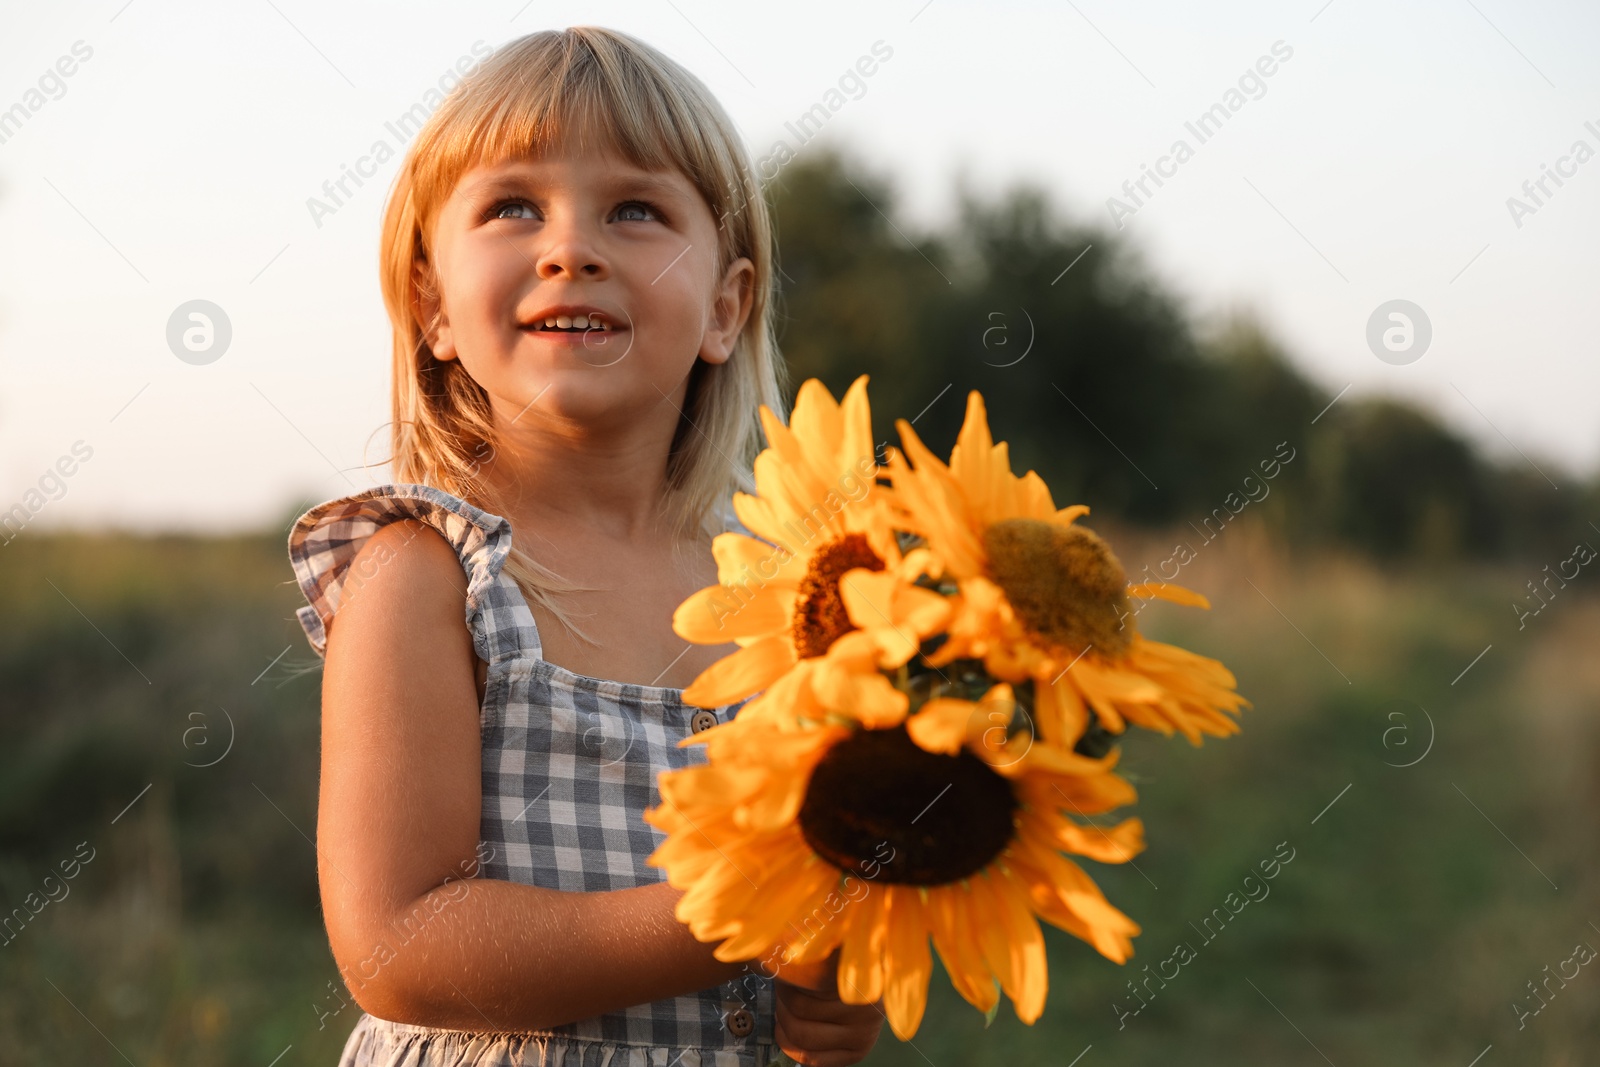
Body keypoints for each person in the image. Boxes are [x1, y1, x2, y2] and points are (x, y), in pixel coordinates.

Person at [287, 27, 884, 1067]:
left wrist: (826, 994)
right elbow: (399, 942)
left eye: (636, 210)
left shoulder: (784, 588)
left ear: (726, 307)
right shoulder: (426, 573)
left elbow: (816, 910)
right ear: (430, 303)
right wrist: (749, 906)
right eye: (514, 206)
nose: (572, 247)